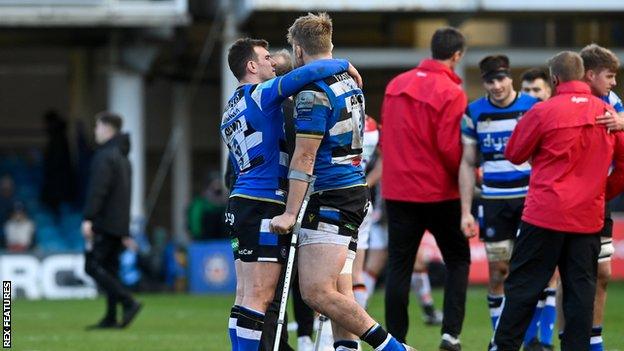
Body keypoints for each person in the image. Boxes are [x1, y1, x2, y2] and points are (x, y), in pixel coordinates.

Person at [270, 12, 416, 351]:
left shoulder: (312, 92)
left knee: (316, 291)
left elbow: (304, 156)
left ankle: (394, 348)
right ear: (330, 45)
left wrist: (290, 213)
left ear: (298, 51)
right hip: (353, 189)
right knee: (340, 290)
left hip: (332, 195)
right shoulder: (350, 82)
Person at [221, 37, 360, 351]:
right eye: (266, 58)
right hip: (263, 202)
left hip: (242, 201)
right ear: (251, 66)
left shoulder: (232, 106)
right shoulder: (259, 94)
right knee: (258, 295)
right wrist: (344, 65)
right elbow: (305, 74)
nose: (273, 63)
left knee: (245, 294)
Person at [489, 51, 624, 351]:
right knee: (580, 296)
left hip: (544, 216)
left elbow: (514, 153)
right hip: (588, 219)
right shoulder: (608, 115)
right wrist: (601, 191)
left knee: (522, 289)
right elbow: (623, 165)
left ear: (554, 79)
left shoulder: (543, 111)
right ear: (584, 75)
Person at [380, 26, 470, 351]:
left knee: (399, 266)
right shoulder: (452, 92)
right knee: (458, 259)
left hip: (398, 191)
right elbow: (449, 148)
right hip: (439, 192)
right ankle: (450, 335)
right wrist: (467, 178)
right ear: (457, 55)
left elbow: (389, 136)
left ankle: (395, 341)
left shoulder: (395, 85)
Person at [459, 55, 555, 350]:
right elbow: (467, 162)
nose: (497, 85)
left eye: (501, 78)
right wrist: (466, 211)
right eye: (490, 80)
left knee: (541, 270)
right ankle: (500, 339)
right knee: (499, 271)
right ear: (484, 82)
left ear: (510, 78)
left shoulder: (533, 107)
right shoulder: (474, 112)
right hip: (495, 202)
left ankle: (542, 341)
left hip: (532, 200)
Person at [575, 43, 623, 351]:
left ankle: (594, 342)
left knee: (602, 272)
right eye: (610, 75)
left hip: (599, 199)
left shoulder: (612, 101)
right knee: (569, 275)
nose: (614, 82)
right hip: (568, 202)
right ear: (591, 75)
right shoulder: (571, 101)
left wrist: (621, 124)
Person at [82, 112, 141, 329]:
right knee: (110, 269)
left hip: (105, 223)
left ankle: (128, 301)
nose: (95, 131)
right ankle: (110, 317)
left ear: (107, 128)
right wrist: (124, 230)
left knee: (93, 266)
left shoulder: (105, 156)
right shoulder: (123, 157)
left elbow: (98, 191)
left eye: (97, 126)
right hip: (118, 225)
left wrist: (89, 218)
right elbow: (123, 196)